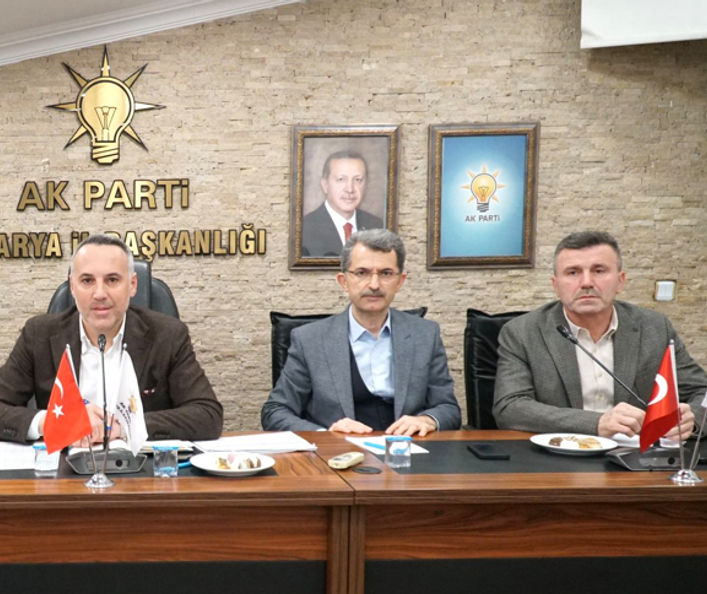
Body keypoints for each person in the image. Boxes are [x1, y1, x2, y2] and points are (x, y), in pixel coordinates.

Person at [0, 234, 223, 444]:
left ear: (132, 285)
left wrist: (123, 427)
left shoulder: (168, 335)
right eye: (87, 281)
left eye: (112, 280)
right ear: (72, 286)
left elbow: (207, 415)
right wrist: (50, 421)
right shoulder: (39, 334)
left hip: (141, 475)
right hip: (63, 474)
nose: (99, 293)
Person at [494, 230, 706, 438]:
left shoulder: (655, 328)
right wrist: (597, 423)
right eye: (573, 272)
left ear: (620, 281)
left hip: (636, 454)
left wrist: (691, 421)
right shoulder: (522, 332)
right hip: (559, 453)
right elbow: (510, 407)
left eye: (599, 271)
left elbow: (701, 390)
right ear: (555, 285)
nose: (586, 282)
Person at [262, 229, 461, 435]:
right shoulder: (309, 340)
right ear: (344, 281)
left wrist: (428, 420)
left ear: (400, 281)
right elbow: (275, 411)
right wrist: (326, 434)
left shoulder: (425, 335)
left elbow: (448, 409)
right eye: (362, 273)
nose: (374, 285)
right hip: (338, 451)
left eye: (386, 273)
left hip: (407, 448)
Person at [300, 150, 385, 258]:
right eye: (341, 179)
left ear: (366, 185)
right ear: (325, 185)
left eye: (358, 180)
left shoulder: (376, 225)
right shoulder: (305, 228)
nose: (350, 189)